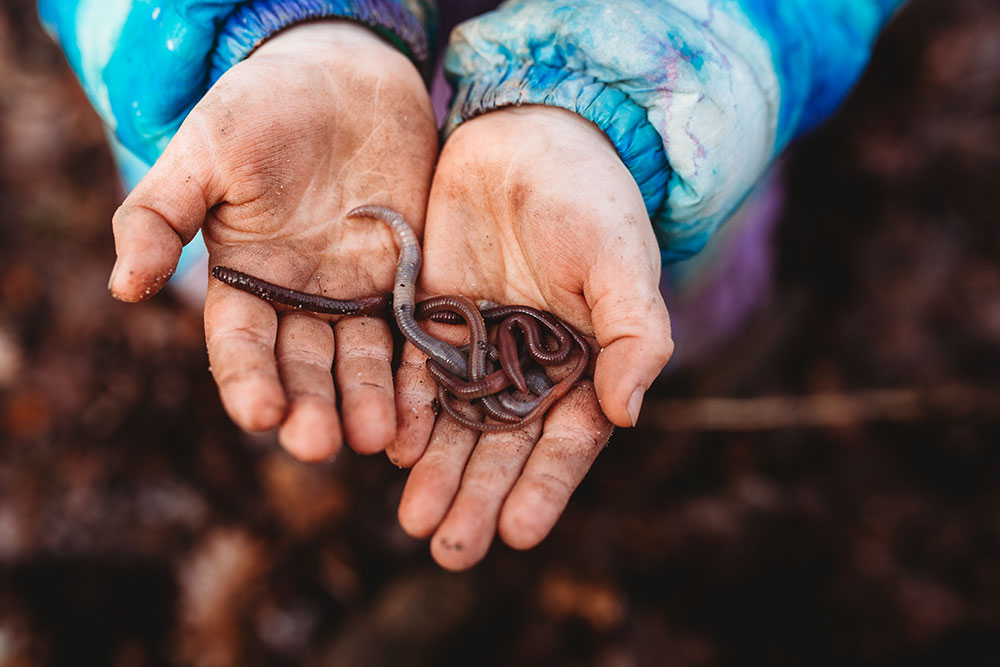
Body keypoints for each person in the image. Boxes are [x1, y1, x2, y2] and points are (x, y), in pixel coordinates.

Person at [39, 0, 906, 570]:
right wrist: (281, 26)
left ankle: (698, 340)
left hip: (640, 146)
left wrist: (621, 99)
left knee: (642, 305)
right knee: (272, 291)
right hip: (284, 106)